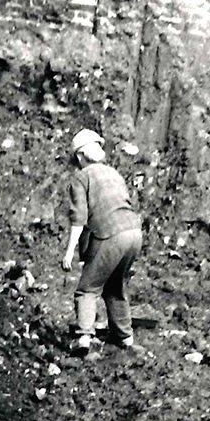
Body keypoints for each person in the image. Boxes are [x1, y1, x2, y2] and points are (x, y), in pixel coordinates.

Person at [61, 127, 143, 355]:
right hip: (134, 232)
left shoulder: (81, 177)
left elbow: (79, 218)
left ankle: (84, 338)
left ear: (80, 156)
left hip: (111, 234)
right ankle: (125, 337)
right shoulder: (113, 173)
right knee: (114, 286)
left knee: (87, 289)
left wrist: (69, 253)